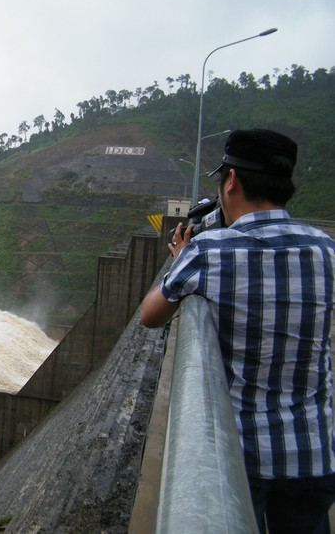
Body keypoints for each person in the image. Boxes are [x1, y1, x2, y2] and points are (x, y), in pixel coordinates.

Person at [140, 129, 335, 533]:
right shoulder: (326, 249)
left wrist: (181, 259)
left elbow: (151, 315)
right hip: (315, 454)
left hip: (243, 457)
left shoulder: (209, 252)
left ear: (231, 182)